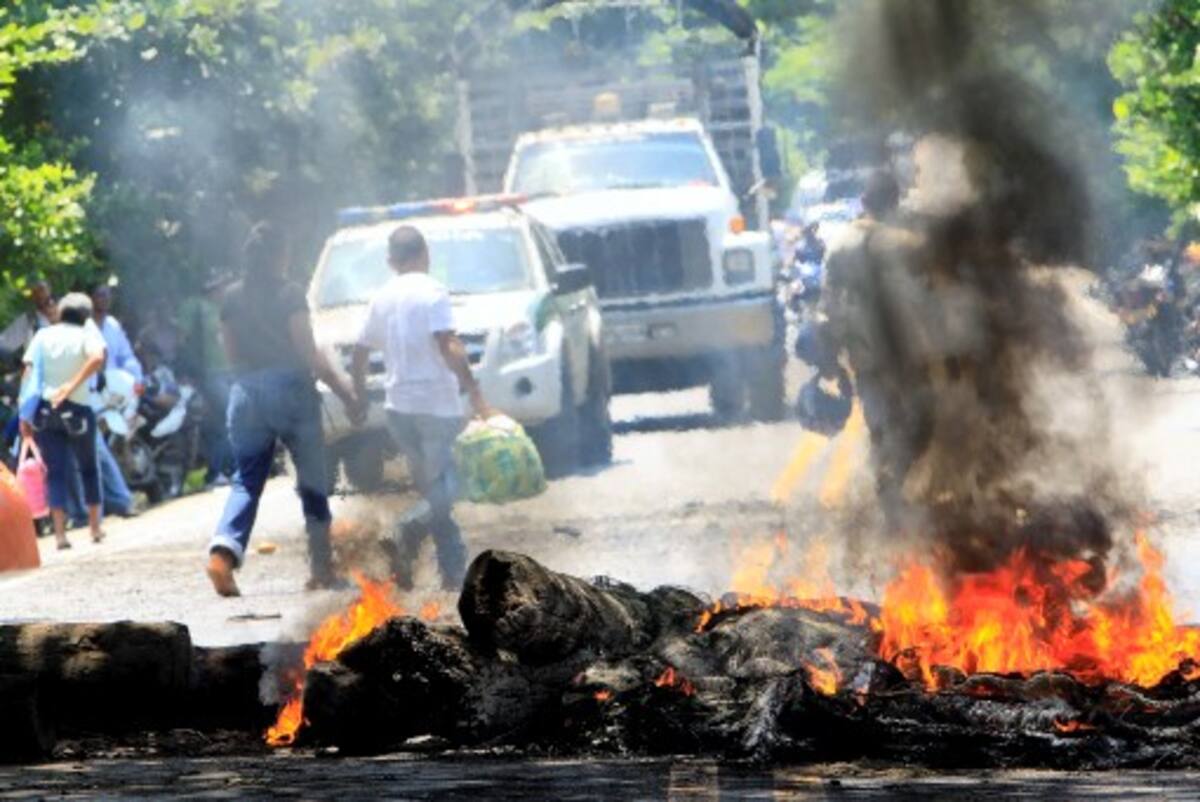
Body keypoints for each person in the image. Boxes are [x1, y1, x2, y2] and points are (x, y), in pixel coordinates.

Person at [206, 222, 360, 597]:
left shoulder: (231, 297)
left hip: (245, 393)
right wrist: (346, 393)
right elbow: (309, 353)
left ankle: (223, 553)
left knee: (246, 480)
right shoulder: (290, 293)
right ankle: (322, 569)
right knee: (312, 482)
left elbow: (230, 353)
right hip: (291, 391)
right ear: (279, 255)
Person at [351, 225, 493, 591]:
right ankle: (408, 531)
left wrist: (358, 396)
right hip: (435, 408)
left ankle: (450, 574)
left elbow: (360, 352)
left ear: (391, 261)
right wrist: (475, 391)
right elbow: (448, 344)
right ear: (425, 254)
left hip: (399, 409)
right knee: (447, 489)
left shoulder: (381, 297)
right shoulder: (432, 291)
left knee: (434, 489)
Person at [819, 170, 930, 523]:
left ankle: (891, 504)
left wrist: (831, 362)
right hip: (915, 357)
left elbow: (829, 308)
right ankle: (916, 501)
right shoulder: (909, 243)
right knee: (918, 426)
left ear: (864, 203)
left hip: (867, 357)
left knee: (881, 428)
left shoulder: (840, 245)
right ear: (895, 202)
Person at [19, 293, 107, 549]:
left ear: (61, 312)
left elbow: (28, 371)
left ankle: (59, 534)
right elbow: (97, 358)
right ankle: (94, 527)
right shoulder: (86, 335)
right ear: (86, 316)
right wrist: (71, 386)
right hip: (78, 410)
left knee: (55, 472)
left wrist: (25, 414)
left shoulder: (43, 335)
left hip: (46, 412)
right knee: (89, 468)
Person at [177, 274, 234, 485]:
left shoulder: (223, 308)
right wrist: (186, 372)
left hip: (231, 370)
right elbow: (182, 341)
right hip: (210, 373)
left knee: (222, 424)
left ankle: (220, 471)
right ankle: (224, 470)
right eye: (221, 285)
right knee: (233, 415)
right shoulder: (196, 306)